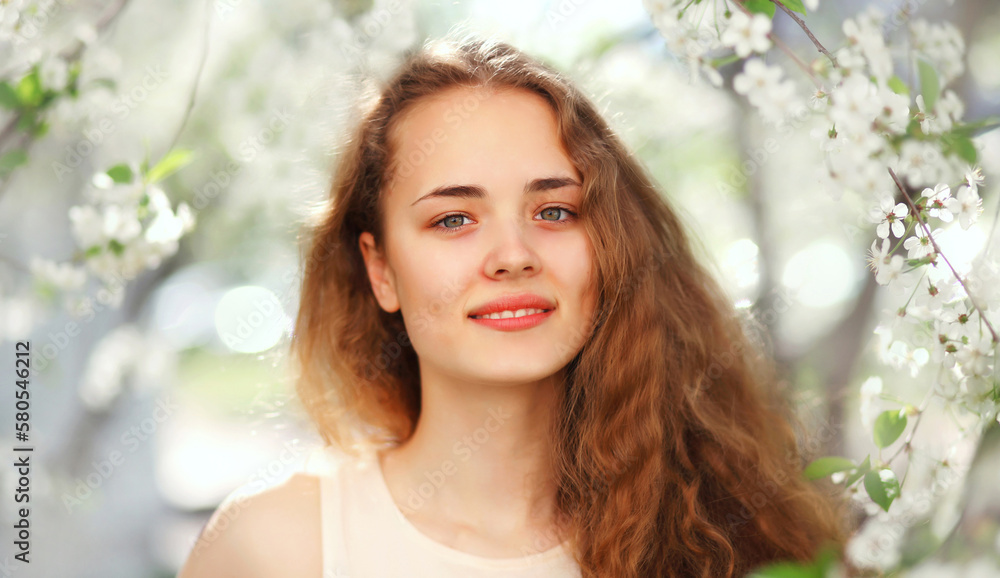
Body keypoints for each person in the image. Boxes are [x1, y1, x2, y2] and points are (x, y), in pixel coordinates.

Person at [177, 34, 846, 578]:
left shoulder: (724, 540)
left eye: (554, 211)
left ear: (611, 244)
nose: (513, 254)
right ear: (380, 270)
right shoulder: (276, 547)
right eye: (453, 220)